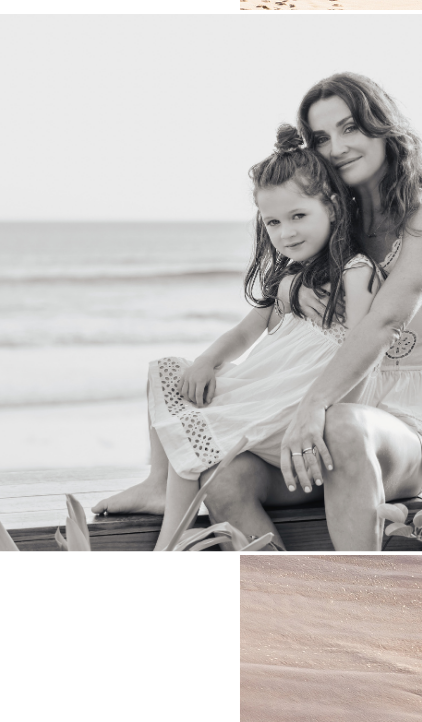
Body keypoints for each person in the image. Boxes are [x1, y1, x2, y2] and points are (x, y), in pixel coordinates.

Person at [198, 72, 422, 551]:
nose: (339, 146)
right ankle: (287, 605)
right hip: (319, 421)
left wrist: (314, 406)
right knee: (222, 479)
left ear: (383, 128)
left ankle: (358, 593)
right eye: (322, 138)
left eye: (351, 128)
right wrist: (291, 289)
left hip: (395, 433)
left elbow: (383, 324)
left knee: (343, 425)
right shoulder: (333, 215)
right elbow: (283, 285)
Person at [92, 126, 381, 551]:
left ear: (333, 208)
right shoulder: (288, 272)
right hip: (271, 385)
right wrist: (208, 360)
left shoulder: (356, 271)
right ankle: (158, 484)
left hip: (300, 400)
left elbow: (361, 353)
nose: (286, 233)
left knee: (200, 423)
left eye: (299, 216)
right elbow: (248, 330)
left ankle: (171, 540)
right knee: (172, 376)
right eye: (274, 223)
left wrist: (331, 420)